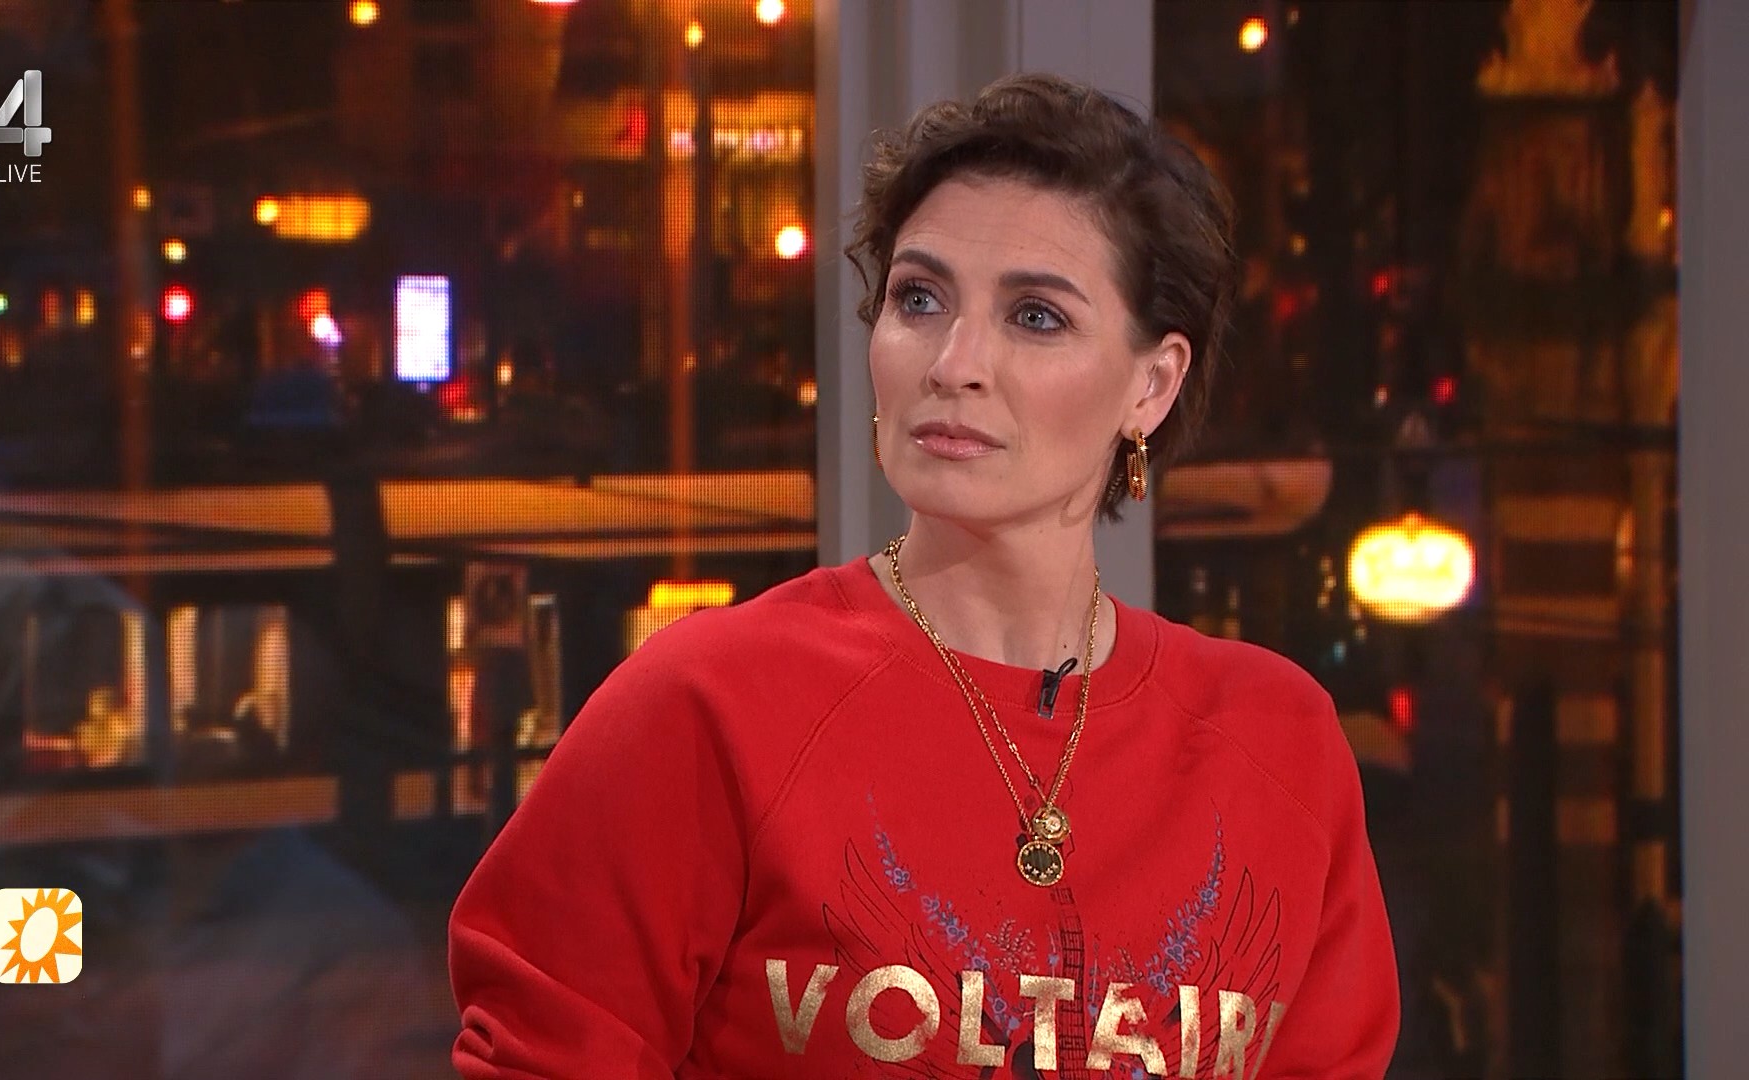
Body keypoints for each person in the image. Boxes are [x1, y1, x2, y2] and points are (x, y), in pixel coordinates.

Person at [448, 72, 1399, 1078]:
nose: (953, 361)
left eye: (1036, 316)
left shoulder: (1278, 743)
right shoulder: (707, 706)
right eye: (919, 298)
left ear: (1152, 385)